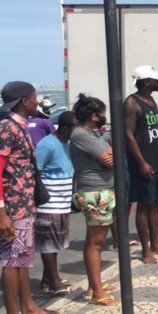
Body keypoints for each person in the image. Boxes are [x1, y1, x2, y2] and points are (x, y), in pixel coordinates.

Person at [0, 81, 58, 314]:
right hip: (12, 208)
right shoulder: (7, 128)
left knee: (23, 258)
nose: (38, 101)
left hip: (24, 204)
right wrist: (2, 213)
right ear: (24, 101)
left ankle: (29, 306)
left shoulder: (19, 125)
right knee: (12, 260)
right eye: (35, 97)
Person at [124, 65, 158, 264]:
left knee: (155, 205)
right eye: (155, 79)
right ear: (146, 82)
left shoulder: (151, 100)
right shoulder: (131, 103)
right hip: (145, 162)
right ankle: (146, 249)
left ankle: (156, 243)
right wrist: (142, 162)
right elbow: (129, 134)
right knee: (143, 206)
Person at [70, 94, 117, 306]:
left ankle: (93, 285)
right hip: (95, 192)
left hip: (102, 191)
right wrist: (109, 155)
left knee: (95, 241)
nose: (105, 118)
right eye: (103, 115)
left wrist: (110, 154)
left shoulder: (93, 134)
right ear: (93, 115)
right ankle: (96, 292)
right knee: (95, 243)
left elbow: (111, 154)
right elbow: (107, 160)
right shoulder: (81, 134)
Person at [35, 111, 77, 296]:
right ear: (66, 128)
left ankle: (48, 279)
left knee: (56, 244)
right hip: (49, 204)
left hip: (62, 203)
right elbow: (35, 170)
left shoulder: (66, 143)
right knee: (49, 245)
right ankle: (54, 282)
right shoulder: (47, 144)